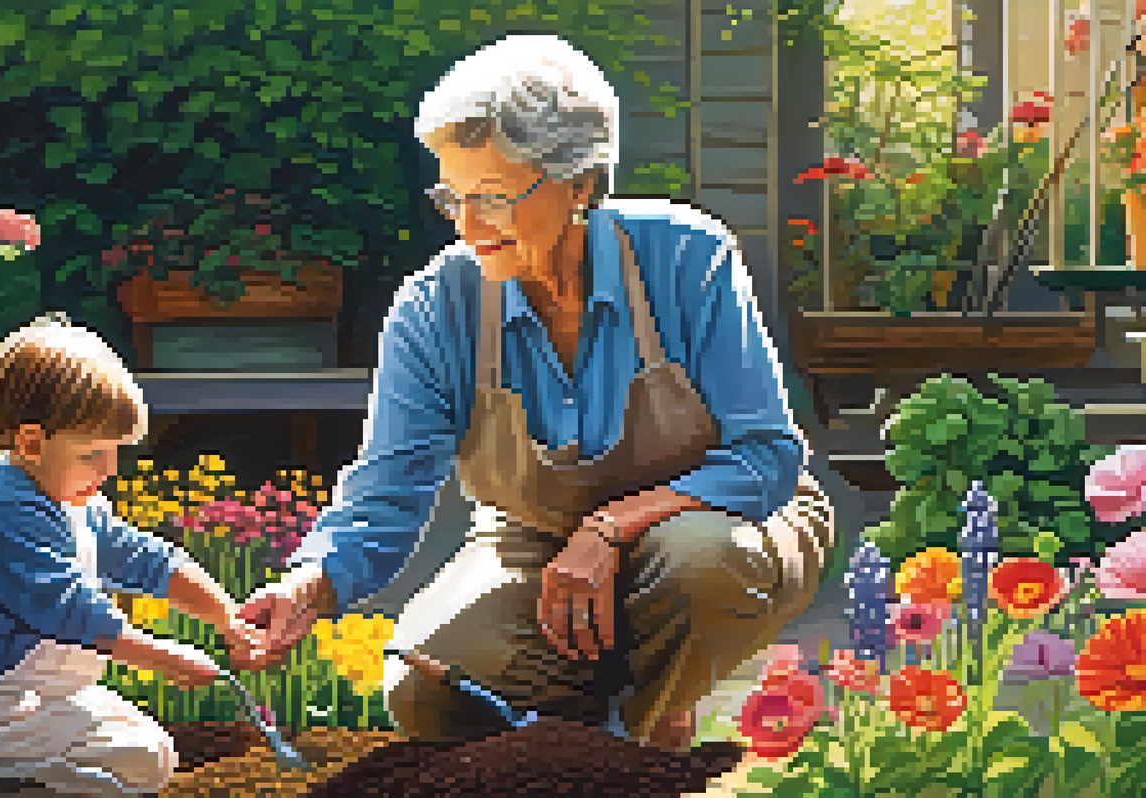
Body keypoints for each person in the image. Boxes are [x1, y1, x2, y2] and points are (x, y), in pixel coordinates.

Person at [237, 33, 836, 752]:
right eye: (450, 196)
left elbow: (766, 457)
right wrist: (309, 583)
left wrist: (609, 528)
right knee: (427, 686)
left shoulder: (686, 256)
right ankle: (620, 706)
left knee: (699, 567)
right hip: (534, 541)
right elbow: (387, 492)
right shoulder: (438, 306)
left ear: (580, 183)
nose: (465, 226)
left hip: (717, 518)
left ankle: (645, 742)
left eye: (490, 197)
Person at [0, 314, 263, 795]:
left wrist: (225, 617)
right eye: (92, 453)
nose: (108, 469)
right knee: (131, 764)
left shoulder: (78, 506)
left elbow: (150, 561)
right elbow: (69, 611)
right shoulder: (7, 516)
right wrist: (165, 657)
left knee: (150, 753)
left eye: (114, 452)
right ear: (30, 443)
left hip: (34, 697)